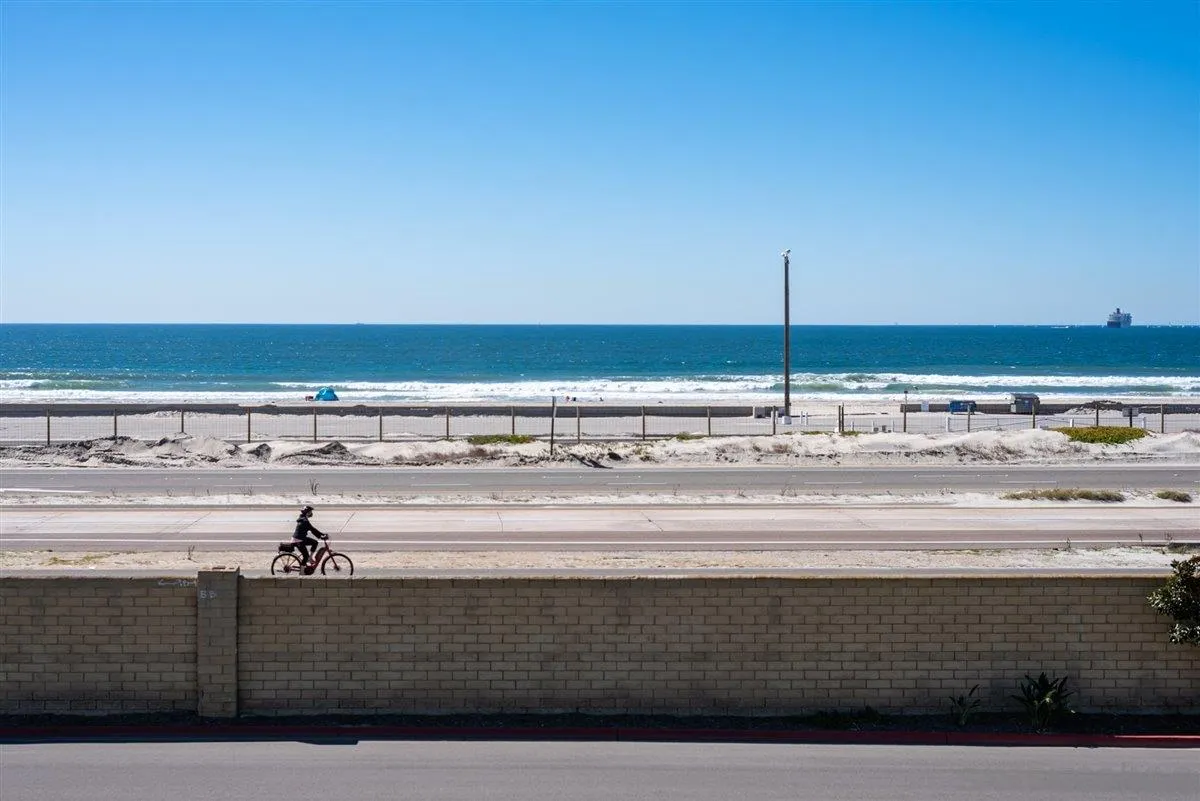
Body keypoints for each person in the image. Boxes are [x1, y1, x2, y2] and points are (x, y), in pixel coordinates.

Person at [291, 505, 326, 573]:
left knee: (315, 542)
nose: (311, 513)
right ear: (307, 512)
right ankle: (302, 572)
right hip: (298, 540)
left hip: (301, 538)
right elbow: (312, 529)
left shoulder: (303, 518)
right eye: (310, 512)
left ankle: (310, 558)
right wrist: (321, 536)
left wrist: (322, 534)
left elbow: (312, 529)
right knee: (305, 556)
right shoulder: (304, 521)